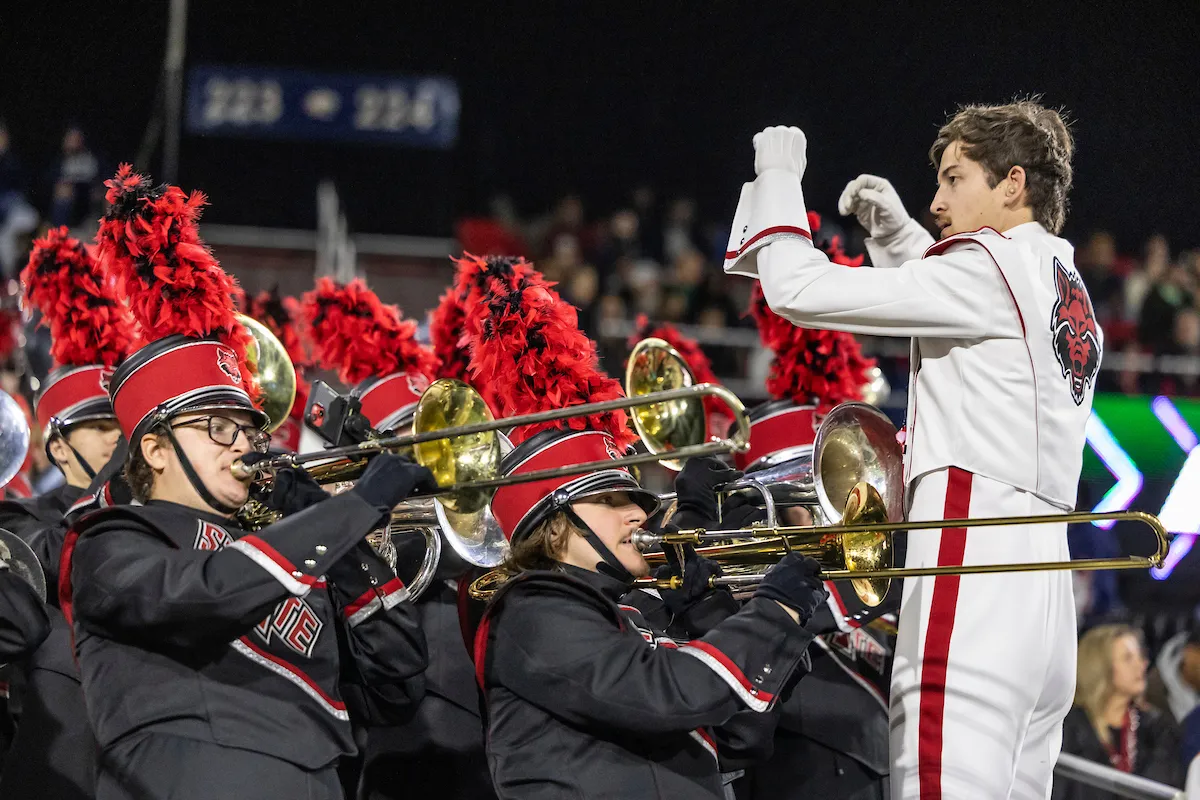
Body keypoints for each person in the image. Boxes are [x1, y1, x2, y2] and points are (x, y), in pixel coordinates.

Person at [724, 100, 1098, 799]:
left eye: (955, 179)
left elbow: (797, 289)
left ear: (1012, 183)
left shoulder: (986, 266)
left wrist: (776, 179)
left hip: (973, 570)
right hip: (1046, 597)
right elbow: (965, 322)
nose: (937, 202)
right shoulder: (1062, 277)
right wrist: (900, 242)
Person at [61, 165, 429, 800]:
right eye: (217, 427)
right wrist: (346, 513)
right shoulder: (110, 543)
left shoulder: (293, 551)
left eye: (248, 430)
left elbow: (396, 683)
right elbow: (202, 595)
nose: (241, 445)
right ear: (154, 448)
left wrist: (342, 545)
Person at [460, 252, 826, 799]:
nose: (637, 513)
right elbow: (664, 694)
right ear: (556, 527)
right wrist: (774, 612)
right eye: (610, 500)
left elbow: (741, 737)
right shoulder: (531, 612)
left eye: (634, 499)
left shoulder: (630, 613)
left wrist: (719, 610)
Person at [0, 226, 136, 799]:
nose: (118, 439)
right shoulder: (21, 519)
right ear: (56, 446)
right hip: (57, 767)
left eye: (124, 424)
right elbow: (55, 560)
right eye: (102, 426)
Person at [1055, 625, 1182, 799]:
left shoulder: (1158, 729)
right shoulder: (1068, 728)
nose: (1141, 664)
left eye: (1140, 656)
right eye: (1128, 658)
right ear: (1100, 667)